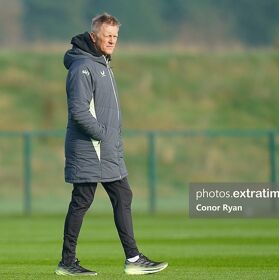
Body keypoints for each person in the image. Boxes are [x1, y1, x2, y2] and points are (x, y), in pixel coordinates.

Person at [55, 13, 168, 276]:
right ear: (94, 37)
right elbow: (79, 111)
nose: (112, 40)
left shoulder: (102, 64)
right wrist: (104, 134)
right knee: (82, 200)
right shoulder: (82, 67)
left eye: (115, 36)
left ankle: (132, 258)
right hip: (91, 148)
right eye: (107, 36)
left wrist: (110, 139)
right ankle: (68, 262)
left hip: (106, 149)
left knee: (121, 195)